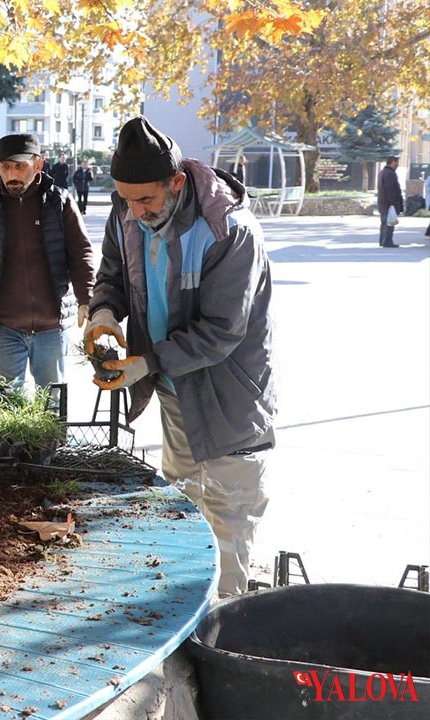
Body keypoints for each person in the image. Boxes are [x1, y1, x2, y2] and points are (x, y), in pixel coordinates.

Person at [83, 116, 276, 598]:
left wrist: (146, 363)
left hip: (230, 398)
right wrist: (103, 314)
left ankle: (223, 633)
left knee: (228, 522)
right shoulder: (126, 212)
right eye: (126, 199)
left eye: (145, 199)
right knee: (180, 514)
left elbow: (222, 330)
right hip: (174, 391)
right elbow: (111, 275)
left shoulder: (229, 229)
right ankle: (179, 627)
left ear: (176, 182)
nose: (135, 210)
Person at [0, 133, 94, 388]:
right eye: (5, 167)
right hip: (3, 326)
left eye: (20, 166)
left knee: (52, 404)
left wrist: (87, 298)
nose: (11, 175)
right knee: (6, 405)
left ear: (38, 164)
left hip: (51, 326)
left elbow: (81, 253)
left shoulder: (59, 202)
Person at [377, 156, 403, 248]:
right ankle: (387, 241)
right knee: (389, 222)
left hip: (383, 203)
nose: (398, 164)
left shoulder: (382, 172)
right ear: (392, 162)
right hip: (389, 204)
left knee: (384, 223)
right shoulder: (390, 173)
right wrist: (393, 202)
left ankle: (383, 241)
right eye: (397, 162)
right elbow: (390, 189)